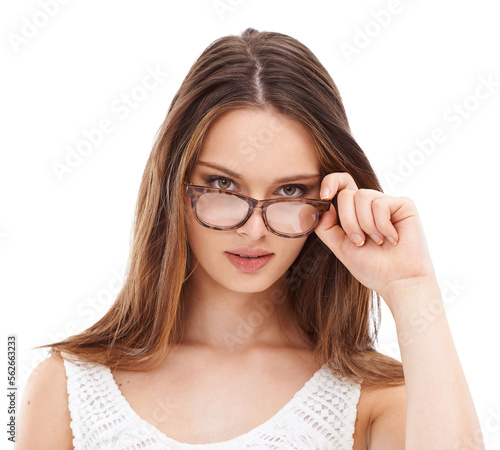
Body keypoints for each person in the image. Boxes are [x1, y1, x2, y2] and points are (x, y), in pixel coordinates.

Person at [15, 28, 484, 449]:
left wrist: (412, 286)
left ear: (327, 201)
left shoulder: (374, 400)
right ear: (173, 187)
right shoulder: (65, 388)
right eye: (223, 186)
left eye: (290, 190)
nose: (254, 229)